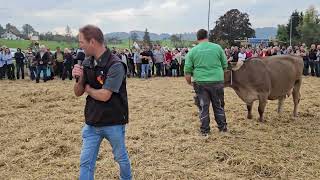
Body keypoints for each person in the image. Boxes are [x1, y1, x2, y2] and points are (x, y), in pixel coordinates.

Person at [72, 25, 132, 180]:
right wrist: (78, 80)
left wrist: (88, 89)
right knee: (86, 162)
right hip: (92, 122)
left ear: (92, 42)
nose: (80, 46)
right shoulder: (86, 62)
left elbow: (105, 95)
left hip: (113, 121)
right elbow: (77, 92)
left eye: (81, 42)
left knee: (120, 158)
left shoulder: (116, 65)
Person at [184, 29, 228, 136]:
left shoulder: (193, 51)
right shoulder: (217, 48)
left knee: (203, 107)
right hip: (217, 81)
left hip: (201, 83)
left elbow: (187, 71)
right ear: (207, 36)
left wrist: (190, 82)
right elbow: (225, 66)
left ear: (197, 38)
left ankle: (205, 131)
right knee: (218, 105)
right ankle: (223, 128)